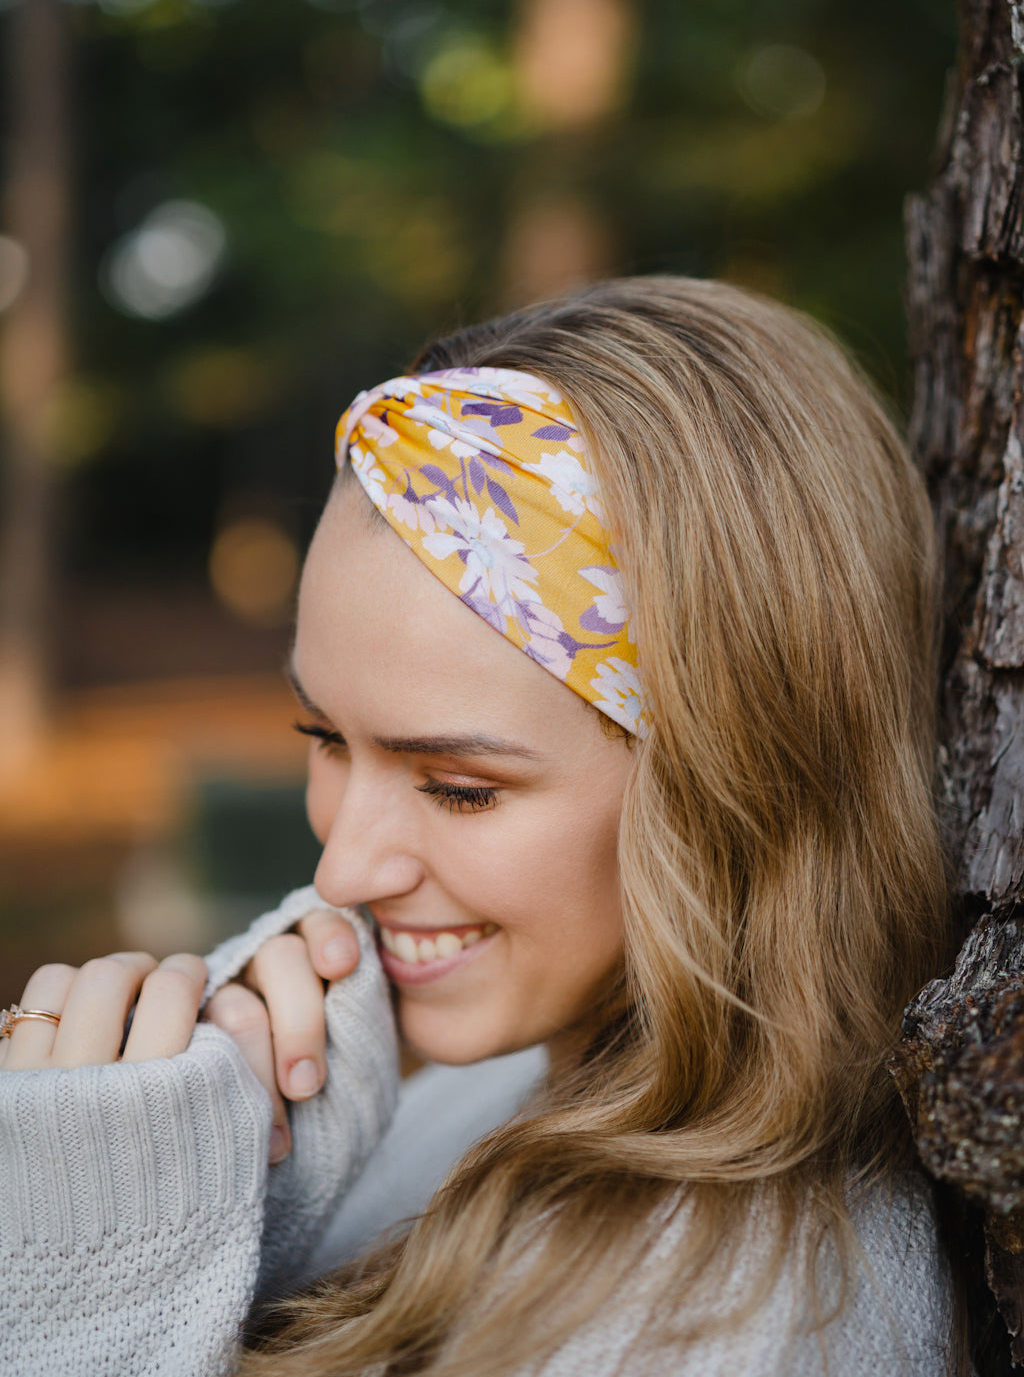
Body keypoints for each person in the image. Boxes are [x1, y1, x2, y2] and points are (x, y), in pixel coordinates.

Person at [0, 277, 958, 1375]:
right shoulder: (482, 1082)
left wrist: (75, 1308)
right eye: (323, 737)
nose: (345, 868)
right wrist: (238, 1192)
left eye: (459, 787)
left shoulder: (736, 1333)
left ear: (741, 779)